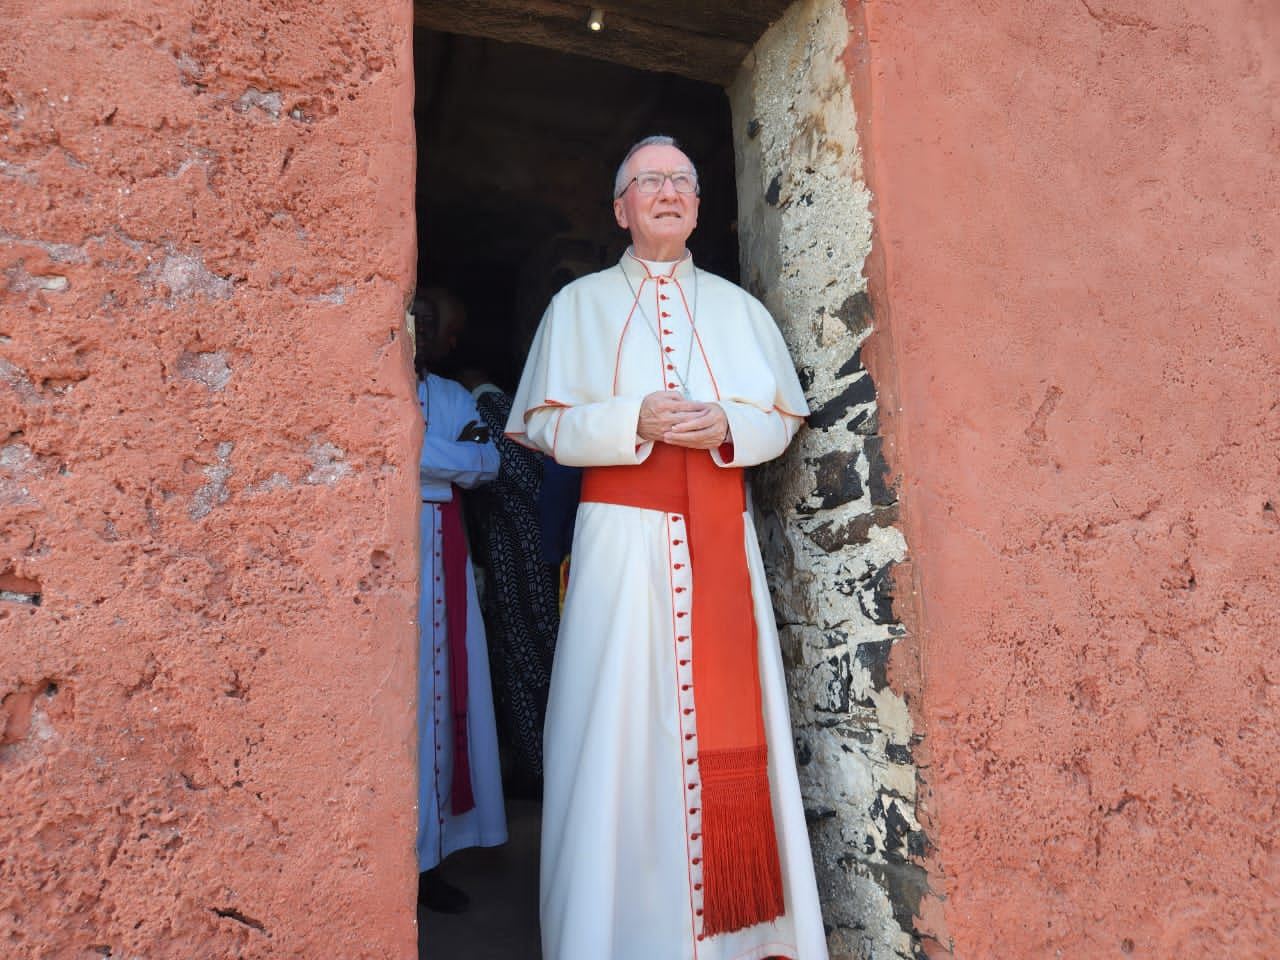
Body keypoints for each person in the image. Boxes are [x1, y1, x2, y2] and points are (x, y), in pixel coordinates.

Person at [505, 136, 828, 959]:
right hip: (617, 546)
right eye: (649, 180)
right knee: (616, 732)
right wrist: (629, 421)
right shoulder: (576, 307)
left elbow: (782, 416)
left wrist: (728, 423)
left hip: (720, 538)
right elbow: (539, 425)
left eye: (683, 180)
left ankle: (741, 942)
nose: (669, 191)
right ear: (621, 208)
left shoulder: (739, 310)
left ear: (697, 204)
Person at [412, 287, 507, 913]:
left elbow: (487, 461)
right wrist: (431, 462)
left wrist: (407, 454)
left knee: (438, 709)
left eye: (431, 323)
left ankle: (427, 863)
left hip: (438, 571)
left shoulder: (446, 398)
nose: (422, 330)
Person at [455, 367, 560, 796]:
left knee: (529, 663)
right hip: (522, 552)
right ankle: (540, 768)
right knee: (527, 661)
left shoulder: (490, 408)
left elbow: (510, 471)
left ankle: (541, 772)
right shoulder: (509, 408)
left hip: (520, 555)